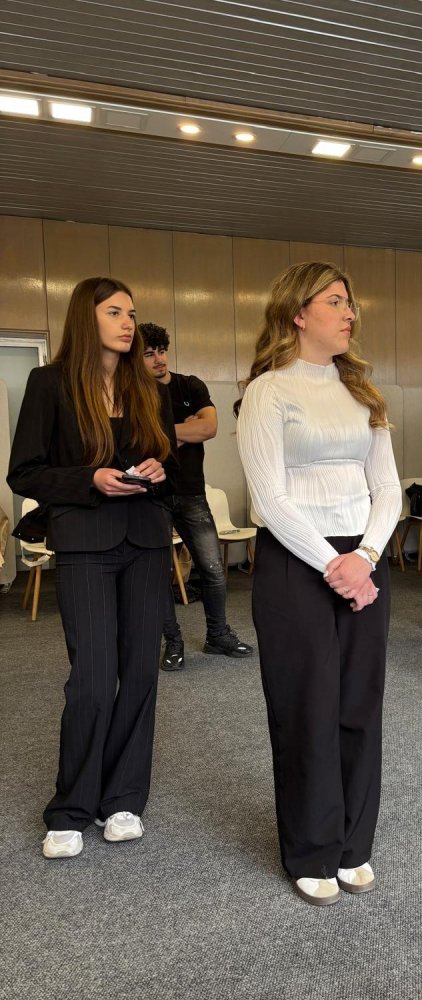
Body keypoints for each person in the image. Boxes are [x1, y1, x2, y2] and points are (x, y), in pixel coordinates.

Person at [236, 262, 401, 907]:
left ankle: (353, 844)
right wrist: (337, 565)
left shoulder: (365, 393)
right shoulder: (268, 391)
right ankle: (311, 848)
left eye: (350, 302)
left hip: (363, 556)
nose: (349, 312)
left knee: (359, 704)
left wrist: (366, 556)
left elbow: (387, 488)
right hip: (295, 561)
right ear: (298, 313)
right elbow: (269, 499)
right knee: (306, 708)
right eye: (335, 301)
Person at [7, 277, 178, 858]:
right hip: (84, 541)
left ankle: (123, 798)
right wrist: (90, 479)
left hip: (146, 539)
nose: (128, 323)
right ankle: (72, 807)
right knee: (93, 675)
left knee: (141, 671)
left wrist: (158, 472)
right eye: (114, 312)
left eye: (131, 312)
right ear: (88, 317)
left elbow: (173, 468)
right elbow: (24, 473)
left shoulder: (148, 387)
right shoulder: (50, 383)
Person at [140, 323, 252, 669]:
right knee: (159, 575)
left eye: (161, 351)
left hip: (191, 493)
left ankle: (217, 635)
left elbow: (210, 427)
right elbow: (137, 442)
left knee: (213, 569)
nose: (158, 359)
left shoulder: (190, 385)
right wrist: (184, 430)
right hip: (151, 495)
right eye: (148, 354)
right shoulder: (134, 394)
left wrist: (161, 433)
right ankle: (172, 642)